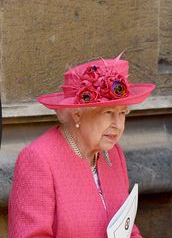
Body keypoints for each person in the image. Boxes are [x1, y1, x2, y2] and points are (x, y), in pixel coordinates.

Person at [8, 54, 155, 238]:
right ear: (77, 114)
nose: (118, 125)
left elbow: (127, 227)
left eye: (122, 113)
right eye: (108, 112)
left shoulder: (113, 154)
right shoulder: (39, 160)